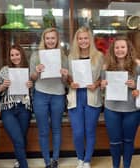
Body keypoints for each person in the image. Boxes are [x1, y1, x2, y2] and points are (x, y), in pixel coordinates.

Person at [30, 27, 68, 168]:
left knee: (57, 128)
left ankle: (55, 159)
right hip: (40, 94)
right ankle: (47, 161)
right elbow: (32, 78)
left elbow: (65, 81)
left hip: (58, 94)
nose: (50, 40)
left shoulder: (63, 56)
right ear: (44, 40)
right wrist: (37, 71)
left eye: (53, 38)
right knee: (43, 129)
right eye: (48, 38)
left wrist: (65, 75)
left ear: (57, 39)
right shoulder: (36, 56)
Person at [66, 27, 104, 168]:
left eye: (86, 38)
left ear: (90, 39)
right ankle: (80, 158)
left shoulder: (99, 56)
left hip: (92, 96)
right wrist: (70, 82)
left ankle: (87, 160)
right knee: (77, 132)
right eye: (80, 38)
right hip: (75, 96)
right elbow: (67, 77)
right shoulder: (70, 57)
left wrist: (96, 84)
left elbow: (102, 77)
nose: (83, 41)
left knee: (89, 131)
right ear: (77, 40)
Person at [101, 35, 140, 168]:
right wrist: (103, 84)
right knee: (114, 142)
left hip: (132, 110)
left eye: (122, 47)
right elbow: (101, 87)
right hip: (111, 109)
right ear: (113, 50)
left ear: (128, 48)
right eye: (117, 47)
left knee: (129, 141)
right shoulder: (106, 66)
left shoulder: (137, 66)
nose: (119, 50)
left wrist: (135, 86)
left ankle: (127, 166)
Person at [0, 44, 32, 168]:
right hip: (8, 108)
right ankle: (24, 165)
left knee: (21, 138)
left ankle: (19, 161)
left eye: (17, 54)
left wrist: (30, 86)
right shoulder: (4, 70)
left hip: (24, 108)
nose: (14, 57)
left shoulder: (28, 70)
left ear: (22, 55)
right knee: (18, 139)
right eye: (12, 55)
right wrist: (3, 86)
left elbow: (34, 93)